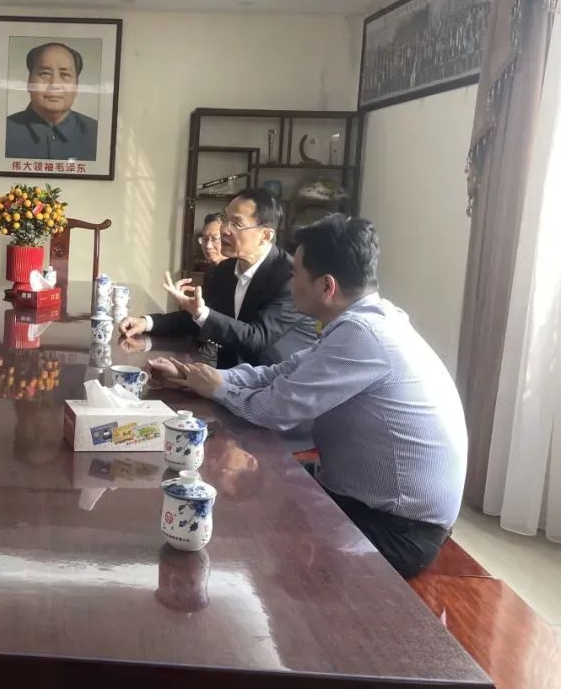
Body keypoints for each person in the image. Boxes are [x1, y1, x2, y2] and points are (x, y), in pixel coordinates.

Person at [148, 216, 467, 578]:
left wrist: (217, 388)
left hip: (396, 529)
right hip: (369, 503)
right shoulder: (365, 320)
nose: (290, 282)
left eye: (296, 273)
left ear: (327, 286)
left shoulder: (363, 334)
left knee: (248, 531)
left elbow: (275, 410)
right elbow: (279, 372)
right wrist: (197, 377)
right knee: (253, 491)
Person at [120, 188, 315, 368]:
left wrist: (201, 313)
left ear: (265, 235)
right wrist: (146, 323)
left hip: (278, 381)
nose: (225, 230)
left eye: (236, 224)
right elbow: (200, 319)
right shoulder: (225, 270)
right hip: (229, 375)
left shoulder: (290, 277)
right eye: (225, 219)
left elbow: (257, 338)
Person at [5, 42, 98, 161]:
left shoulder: (97, 134)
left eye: (65, 75)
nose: (55, 84)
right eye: (45, 74)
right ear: (29, 82)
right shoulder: (3, 132)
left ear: (76, 86)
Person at [194, 212, 227, 294]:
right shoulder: (210, 271)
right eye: (205, 239)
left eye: (215, 239)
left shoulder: (239, 273)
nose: (208, 246)